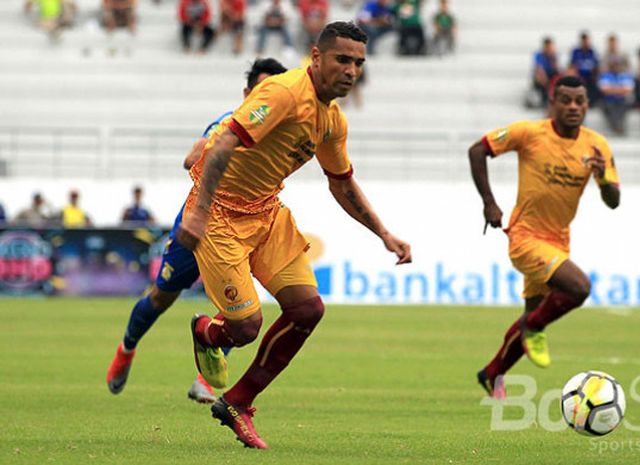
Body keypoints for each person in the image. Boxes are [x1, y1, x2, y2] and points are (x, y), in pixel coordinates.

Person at [176, 21, 412, 449]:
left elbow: (341, 183)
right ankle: (209, 334)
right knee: (246, 327)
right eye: (342, 59)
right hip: (219, 217)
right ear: (316, 57)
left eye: (359, 63)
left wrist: (384, 233)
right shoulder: (283, 93)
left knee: (307, 310)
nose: (351, 70)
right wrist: (198, 214)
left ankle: (238, 403)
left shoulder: (332, 120)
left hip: (267, 213)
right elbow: (225, 143)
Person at [106, 58, 288, 402]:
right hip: (200, 225)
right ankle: (126, 349)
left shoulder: (284, 133)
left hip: (242, 231)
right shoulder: (230, 123)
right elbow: (192, 158)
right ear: (248, 93)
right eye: (262, 90)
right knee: (161, 296)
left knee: (242, 308)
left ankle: (205, 380)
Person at [468, 76, 620, 399]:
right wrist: (489, 203)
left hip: (557, 241)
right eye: (566, 100)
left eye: (580, 101)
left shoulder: (597, 146)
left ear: (587, 104)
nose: (573, 107)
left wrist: (604, 177)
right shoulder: (530, 133)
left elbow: (614, 201)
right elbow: (477, 150)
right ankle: (535, 329)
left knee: (532, 312)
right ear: (553, 102)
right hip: (525, 237)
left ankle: (493, 372)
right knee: (579, 287)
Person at [598, 57, 635, 135]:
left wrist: (613, 90)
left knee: (623, 106)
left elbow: (629, 89)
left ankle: (616, 126)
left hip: (622, 101)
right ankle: (617, 127)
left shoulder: (625, 75)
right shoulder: (605, 75)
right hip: (609, 101)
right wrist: (620, 90)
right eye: (614, 65)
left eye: (617, 65)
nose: (616, 67)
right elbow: (604, 90)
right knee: (609, 106)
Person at [569, 32, 599, 106]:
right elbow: (572, 65)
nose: (585, 43)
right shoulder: (576, 52)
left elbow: (596, 65)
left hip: (590, 76)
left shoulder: (592, 52)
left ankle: (591, 102)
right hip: (579, 75)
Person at [532, 37, 559, 108]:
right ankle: (544, 101)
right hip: (542, 77)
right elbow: (539, 69)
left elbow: (556, 69)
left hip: (551, 76)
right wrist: (544, 79)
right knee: (541, 78)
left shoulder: (553, 56)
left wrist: (552, 57)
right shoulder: (539, 55)